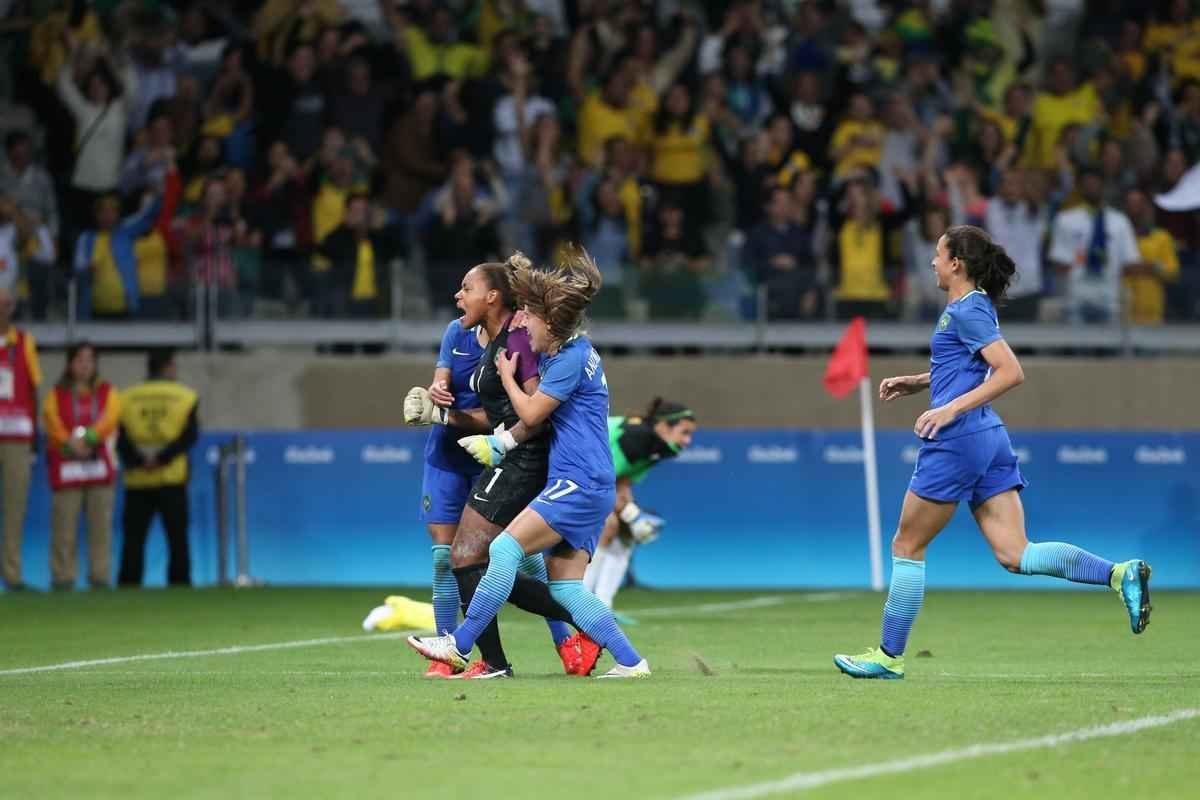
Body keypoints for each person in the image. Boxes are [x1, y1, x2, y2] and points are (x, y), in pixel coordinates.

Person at [833, 225, 1152, 680]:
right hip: (988, 437)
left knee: (907, 544)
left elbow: (1009, 372)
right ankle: (1119, 574)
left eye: (938, 254)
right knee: (1016, 554)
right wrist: (919, 381)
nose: (932, 262)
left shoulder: (967, 310)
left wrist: (948, 408)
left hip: (958, 440)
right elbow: (966, 365)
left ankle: (888, 657)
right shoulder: (972, 306)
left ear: (956, 263)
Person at [408, 250, 649, 678]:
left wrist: (505, 387)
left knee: (501, 550)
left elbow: (533, 414)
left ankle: (461, 645)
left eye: (530, 317)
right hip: (587, 481)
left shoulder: (569, 358)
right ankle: (632, 662)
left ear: (551, 324)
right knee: (566, 588)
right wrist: (524, 277)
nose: (523, 322)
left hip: (577, 481)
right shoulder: (572, 351)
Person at [409, 295, 487, 676]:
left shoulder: (516, 342)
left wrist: (443, 414)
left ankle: (565, 643)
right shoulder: (456, 331)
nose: (458, 296)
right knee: (444, 557)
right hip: (446, 459)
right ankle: (446, 653)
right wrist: (436, 390)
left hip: (491, 458)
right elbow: (442, 374)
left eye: (467, 288)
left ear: (493, 296)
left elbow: (503, 415)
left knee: (520, 556)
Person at [583, 399, 697, 620]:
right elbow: (600, 481)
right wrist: (632, 515)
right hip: (568, 471)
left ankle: (603, 607)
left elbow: (622, 482)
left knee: (627, 533)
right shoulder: (635, 437)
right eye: (684, 433)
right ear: (663, 426)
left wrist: (633, 518)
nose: (687, 441)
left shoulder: (660, 448)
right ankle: (581, 605)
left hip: (597, 479)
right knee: (608, 524)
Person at [116, 348, 199, 587]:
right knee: (177, 539)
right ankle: (180, 587)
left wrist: (141, 460)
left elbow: (120, 438)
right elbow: (189, 436)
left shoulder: (126, 397)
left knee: (133, 540)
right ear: (170, 366)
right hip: (172, 478)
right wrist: (161, 459)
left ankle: (128, 588)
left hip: (137, 479)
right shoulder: (185, 396)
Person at [43, 342, 119, 590]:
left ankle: (100, 576)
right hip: (67, 468)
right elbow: (51, 421)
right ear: (69, 364)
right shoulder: (56, 394)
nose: (85, 365)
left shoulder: (107, 391)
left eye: (90, 360)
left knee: (100, 528)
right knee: (64, 527)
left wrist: (89, 438)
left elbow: (110, 418)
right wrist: (70, 443)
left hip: (99, 467)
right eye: (79, 360)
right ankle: (62, 577)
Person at [0, 287, 40, 591]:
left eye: (5, 304)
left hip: (17, 436)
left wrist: (35, 439)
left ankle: (12, 575)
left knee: (15, 508)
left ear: (12, 308)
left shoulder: (25, 342)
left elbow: (34, 389)